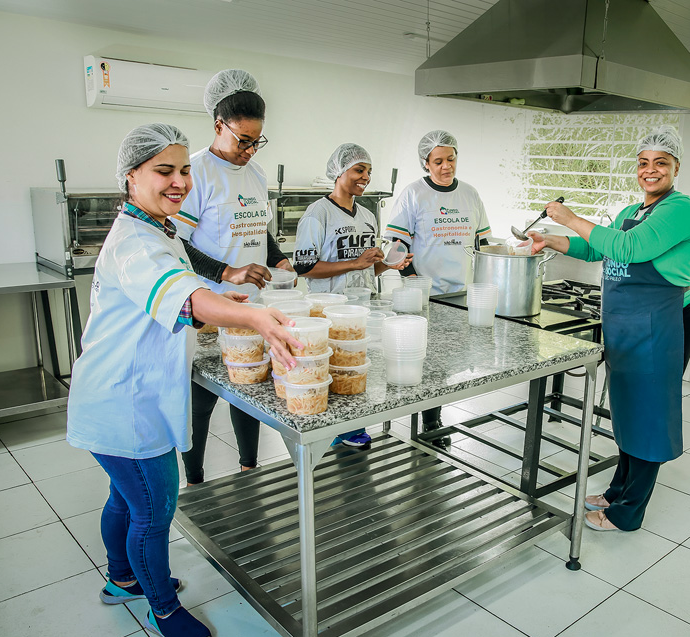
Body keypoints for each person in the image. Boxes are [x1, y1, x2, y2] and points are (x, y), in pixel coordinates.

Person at [66, 123, 301, 637]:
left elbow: (187, 282)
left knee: (125, 500)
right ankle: (163, 609)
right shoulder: (133, 244)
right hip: (124, 402)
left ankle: (122, 579)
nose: (180, 181)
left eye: (185, 170)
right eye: (164, 171)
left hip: (116, 392)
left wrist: (227, 294)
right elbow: (186, 298)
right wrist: (258, 321)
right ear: (131, 176)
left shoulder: (157, 228)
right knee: (152, 510)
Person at [527, 126, 690, 532]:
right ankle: (617, 489)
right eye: (644, 163)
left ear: (676, 167)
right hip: (630, 325)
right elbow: (596, 248)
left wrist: (570, 216)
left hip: (664, 323)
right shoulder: (631, 211)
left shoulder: (680, 209)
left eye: (661, 163)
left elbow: (628, 249)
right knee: (627, 410)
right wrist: (551, 239)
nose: (651, 170)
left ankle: (628, 512)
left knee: (648, 415)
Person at [173, 69, 290, 485]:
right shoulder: (196, 173)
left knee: (249, 389)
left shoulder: (255, 174)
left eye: (257, 140)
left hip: (251, 309)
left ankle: (248, 469)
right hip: (208, 308)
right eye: (243, 140)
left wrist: (280, 261)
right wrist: (227, 271)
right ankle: (195, 478)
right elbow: (177, 241)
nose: (250, 150)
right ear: (218, 126)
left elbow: (260, 229)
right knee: (201, 399)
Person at [294, 143, 412, 448]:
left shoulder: (368, 215)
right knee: (334, 369)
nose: (366, 177)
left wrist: (387, 264)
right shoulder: (317, 214)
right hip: (330, 311)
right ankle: (330, 432)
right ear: (338, 172)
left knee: (355, 369)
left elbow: (365, 272)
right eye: (359, 170)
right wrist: (355, 262)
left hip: (363, 309)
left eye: (369, 172)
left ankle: (351, 427)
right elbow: (304, 268)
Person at [384, 130, 492, 445]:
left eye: (451, 159)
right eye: (439, 161)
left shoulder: (470, 194)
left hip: (461, 294)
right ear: (426, 163)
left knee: (444, 364)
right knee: (425, 362)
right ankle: (429, 424)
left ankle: (431, 421)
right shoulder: (413, 194)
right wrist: (414, 284)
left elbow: (483, 243)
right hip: (424, 296)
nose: (446, 166)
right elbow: (397, 247)